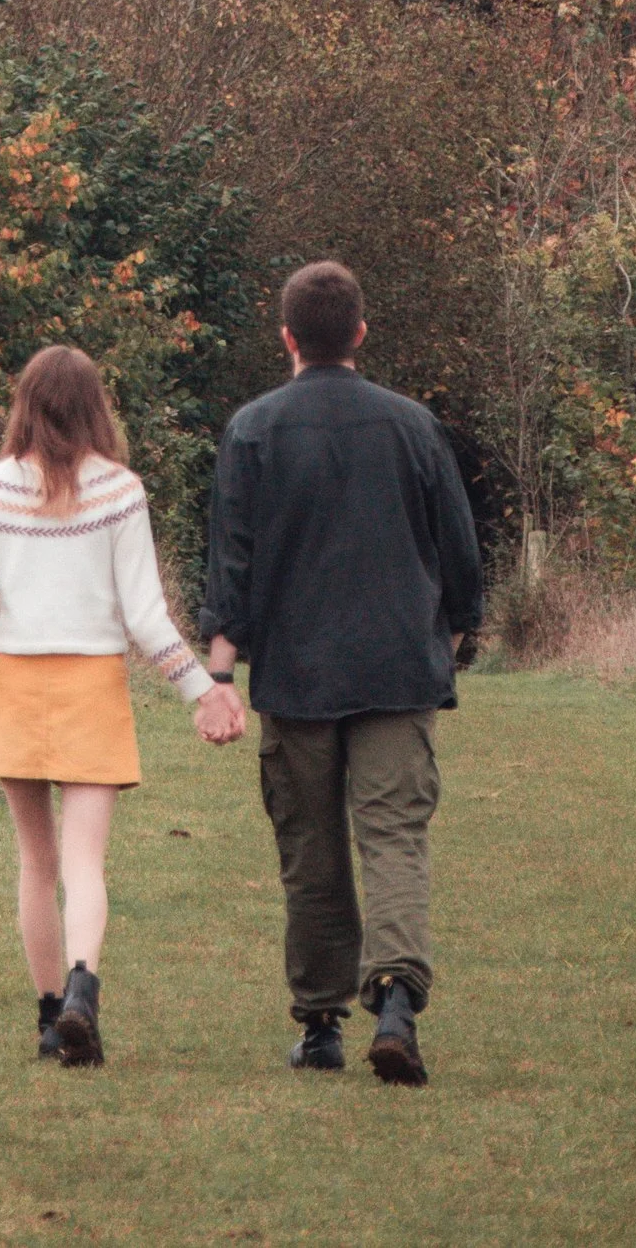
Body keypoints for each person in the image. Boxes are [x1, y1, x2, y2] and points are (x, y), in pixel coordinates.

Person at [200, 257, 483, 1087]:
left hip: (297, 672)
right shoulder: (412, 425)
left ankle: (320, 1023)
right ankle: (395, 1001)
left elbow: (233, 563)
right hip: (397, 662)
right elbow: (459, 545)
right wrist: (458, 628)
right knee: (393, 834)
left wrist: (222, 670)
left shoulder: (252, 429)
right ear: (359, 332)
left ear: (287, 336)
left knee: (311, 844)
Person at [0, 342, 244, 1066]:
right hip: (91, 684)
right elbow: (144, 615)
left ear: (24, 404)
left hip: (16, 680)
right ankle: (84, 988)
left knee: (35, 863)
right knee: (84, 862)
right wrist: (201, 691)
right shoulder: (119, 490)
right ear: (93, 407)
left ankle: (52, 1019)